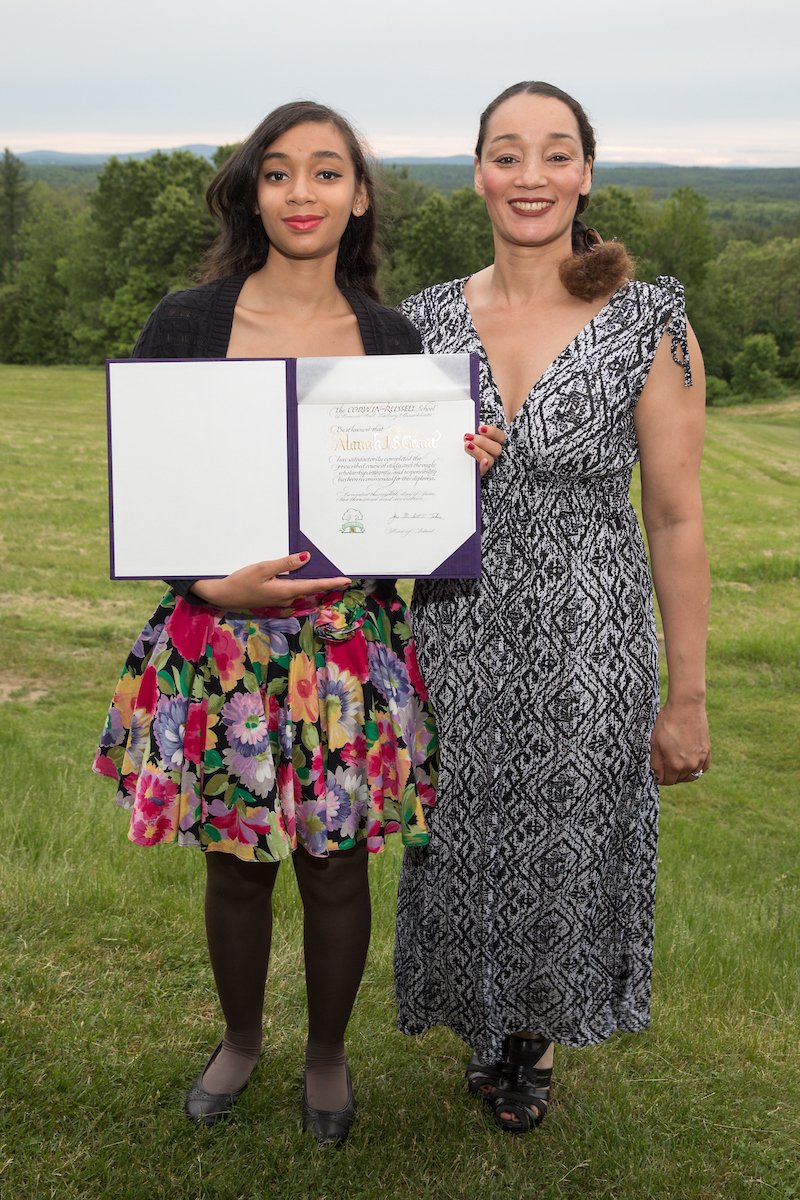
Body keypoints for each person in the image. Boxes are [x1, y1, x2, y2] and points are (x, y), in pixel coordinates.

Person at [92, 101, 455, 1145]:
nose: (303, 194)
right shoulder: (188, 321)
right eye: (280, 173)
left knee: (335, 863)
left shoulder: (389, 338)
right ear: (252, 192)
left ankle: (328, 1054)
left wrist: (449, 474)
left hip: (342, 651)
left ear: (359, 196)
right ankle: (241, 1038)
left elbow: (396, 513)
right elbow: (146, 490)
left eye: (327, 172)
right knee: (236, 858)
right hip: (224, 649)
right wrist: (209, 585)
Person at [394, 81, 711, 1134]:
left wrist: (688, 695)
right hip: (454, 625)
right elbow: (375, 498)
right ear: (476, 171)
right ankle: (480, 1025)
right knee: (463, 834)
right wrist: (435, 474)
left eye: (553, 153)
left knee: (567, 840)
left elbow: (673, 517)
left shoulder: (647, 321)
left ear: (584, 172)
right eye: (505, 153)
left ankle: (526, 1044)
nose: (529, 176)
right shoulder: (426, 320)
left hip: (591, 629)